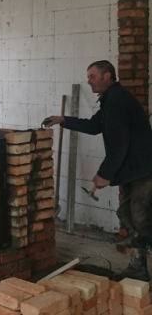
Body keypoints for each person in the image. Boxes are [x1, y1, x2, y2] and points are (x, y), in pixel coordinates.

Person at [42, 60, 152, 282]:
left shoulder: (117, 100)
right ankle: (138, 267)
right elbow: (94, 126)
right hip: (134, 170)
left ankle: (139, 266)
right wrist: (63, 120)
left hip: (143, 169)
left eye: (92, 76)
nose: (89, 81)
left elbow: (120, 142)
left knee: (141, 219)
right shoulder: (111, 99)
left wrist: (105, 173)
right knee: (127, 215)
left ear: (107, 76)